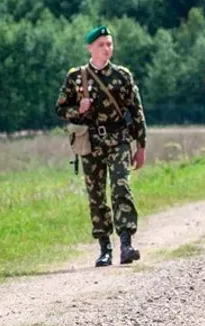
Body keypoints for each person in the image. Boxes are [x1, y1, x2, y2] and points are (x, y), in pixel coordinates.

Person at [55, 25, 148, 267]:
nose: (107, 49)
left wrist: (141, 146)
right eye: (101, 45)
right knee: (96, 195)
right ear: (90, 48)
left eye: (109, 44)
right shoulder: (76, 77)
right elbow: (61, 109)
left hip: (118, 140)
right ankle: (104, 247)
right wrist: (79, 109)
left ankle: (126, 243)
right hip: (91, 143)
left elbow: (136, 112)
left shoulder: (122, 76)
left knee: (121, 188)